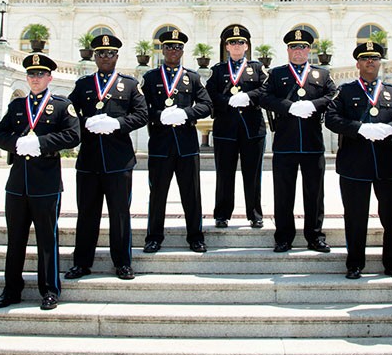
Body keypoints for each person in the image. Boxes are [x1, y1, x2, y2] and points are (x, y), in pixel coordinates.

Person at [0, 53, 80, 310]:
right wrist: (16, 143)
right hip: (18, 183)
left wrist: (41, 142)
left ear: (50, 77)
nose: (35, 78)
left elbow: (73, 136)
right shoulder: (17, 106)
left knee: (47, 238)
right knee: (15, 238)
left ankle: (50, 290)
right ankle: (11, 289)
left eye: (40, 74)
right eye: (31, 74)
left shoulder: (62, 106)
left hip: (46, 182)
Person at [64, 34, 147, 281]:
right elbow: (66, 115)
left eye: (110, 53)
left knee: (120, 213)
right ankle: (82, 263)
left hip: (118, 160)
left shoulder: (130, 85)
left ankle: (122, 262)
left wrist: (118, 123)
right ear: (95, 56)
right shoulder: (83, 85)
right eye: (100, 53)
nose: (105, 57)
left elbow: (142, 115)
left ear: (117, 57)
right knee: (87, 213)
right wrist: (85, 122)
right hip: (89, 160)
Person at [325, 41, 392, 279]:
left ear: (380, 62)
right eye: (365, 58)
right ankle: (355, 263)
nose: (370, 62)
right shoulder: (346, 91)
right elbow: (331, 118)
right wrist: (358, 129)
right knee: (355, 216)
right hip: (354, 163)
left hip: (388, 163)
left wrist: (389, 128)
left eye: (374, 58)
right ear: (358, 63)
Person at [259, 28, 337, 252]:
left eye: (302, 47)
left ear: (308, 50)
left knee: (314, 192)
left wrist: (314, 104)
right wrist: (289, 106)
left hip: (312, 143)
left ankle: (315, 236)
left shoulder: (321, 75)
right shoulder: (276, 74)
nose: (298, 51)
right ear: (288, 50)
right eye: (294, 47)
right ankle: (283, 236)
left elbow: (333, 95)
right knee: (283, 193)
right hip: (285, 143)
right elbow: (264, 97)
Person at [141, 29, 212, 253]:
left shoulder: (191, 77)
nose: (174, 50)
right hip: (160, 144)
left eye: (178, 47)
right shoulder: (151, 78)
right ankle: (153, 237)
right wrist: (159, 115)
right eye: (170, 47)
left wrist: (187, 113)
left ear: (183, 51)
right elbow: (141, 109)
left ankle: (195, 236)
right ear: (163, 50)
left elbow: (207, 105)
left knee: (191, 193)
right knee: (158, 193)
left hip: (186, 145)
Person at [205, 26, 267, 229]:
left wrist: (248, 97)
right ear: (227, 46)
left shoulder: (257, 69)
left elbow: (266, 90)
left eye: (240, 42)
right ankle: (222, 214)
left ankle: (255, 214)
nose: (236, 45)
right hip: (225, 129)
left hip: (252, 129)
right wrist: (226, 101)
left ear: (247, 46)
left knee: (253, 174)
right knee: (224, 174)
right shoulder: (218, 70)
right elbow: (209, 94)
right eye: (232, 42)